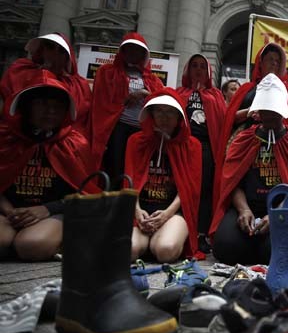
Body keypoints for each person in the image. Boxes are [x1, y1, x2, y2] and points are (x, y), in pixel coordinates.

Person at [210, 73, 288, 265]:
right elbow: (233, 183)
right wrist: (243, 210)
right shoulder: (243, 139)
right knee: (224, 247)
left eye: (274, 112)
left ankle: (260, 248)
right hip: (248, 206)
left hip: (287, 209)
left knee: (276, 251)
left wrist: (277, 214)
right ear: (257, 112)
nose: (270, 116)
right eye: (265, 111)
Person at [0, 71, 97, 261]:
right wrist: (9, 210)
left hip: (53, 212)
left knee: (32, 246)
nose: (50, 111)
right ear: (27, 107)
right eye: (42, 104)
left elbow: (86, 195)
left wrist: (46, 209)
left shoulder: (75, 143)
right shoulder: (6, 139)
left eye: (57, 106)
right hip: (10, 212)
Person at [125, 88, 202, 263]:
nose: (164, 117)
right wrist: (137, 212)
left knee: (166, 251)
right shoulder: (136, 141)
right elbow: (129, 181)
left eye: (169, 112)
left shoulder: (192, 146)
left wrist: (166, 215)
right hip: (141, 211)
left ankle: (158, 240)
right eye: (159, 111)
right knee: (128, 250)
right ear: (151, 114)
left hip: (172, 212)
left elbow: (189, 189)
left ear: (178, 117)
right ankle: (147, 241)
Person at [90, 32, 164, 179]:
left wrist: (144, 93)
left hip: (141, 130)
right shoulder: (107, 72)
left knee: (135, 168)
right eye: (129, 48)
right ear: (123, 51)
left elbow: (160, 102)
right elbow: (101, 102)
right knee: (115, 167)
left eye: (137, 49)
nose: (133, 52)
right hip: (117, 128)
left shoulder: (153, 80)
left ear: (143, 53)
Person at [176, 54, 226, 256]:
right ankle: (183, 230)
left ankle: (201, 234)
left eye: (202, 67)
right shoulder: (179, 94)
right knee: (184, 189)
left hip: (206, 149)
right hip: (183, 148)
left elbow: (222, 123)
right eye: (194, 66)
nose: (198, 70)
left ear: (208, 72)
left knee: (205, 192)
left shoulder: (215, 96)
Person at [0, 33, 92, 139]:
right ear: (41, 49)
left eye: (61, 50)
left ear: (67, 57)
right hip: (19, 139)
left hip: (61, 144)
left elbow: (78, 119)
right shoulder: (21, 71)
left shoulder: (78, 86)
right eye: (50, 47)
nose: (55, 54)